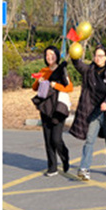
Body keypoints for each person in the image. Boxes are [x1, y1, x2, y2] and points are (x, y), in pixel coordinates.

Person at [70, 45, 106, 181]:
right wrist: (74, 56)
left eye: (101, 56)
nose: (98, 58)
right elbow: (79, 66)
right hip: (93, 111)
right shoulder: (89, 70)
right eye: (96, 56)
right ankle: (84, 168)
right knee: (89, 139)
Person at [31, 45, 72, 176]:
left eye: (52, 54)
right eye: (47, 55)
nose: (49, 57)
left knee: (56, 139)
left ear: (57, 56)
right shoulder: (43, 71)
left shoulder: (62, 70)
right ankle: (52, 167)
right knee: (48, 139)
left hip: (58, 107)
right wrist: (39, 81)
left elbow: (69, 87)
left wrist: (56, 85)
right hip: (46, 108)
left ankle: (64, 155)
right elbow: (35, 88)